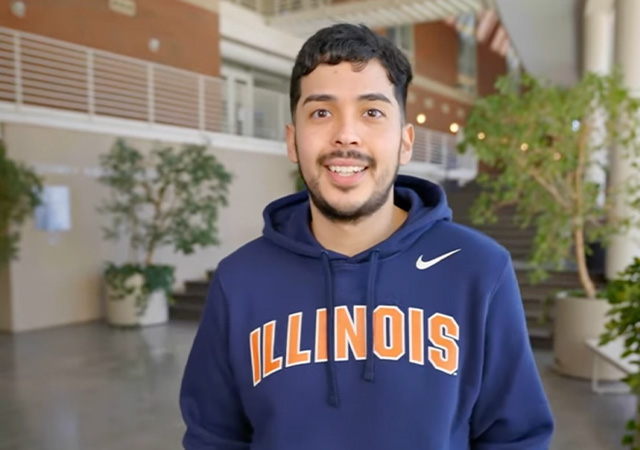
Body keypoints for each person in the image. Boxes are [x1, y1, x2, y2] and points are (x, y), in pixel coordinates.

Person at [180, 23, 554, 450]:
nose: (346, 135)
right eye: (321, 112)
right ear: (292, 140)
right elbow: (213, 437)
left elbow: (516, 438)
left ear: (405, 141)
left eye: (372, 112)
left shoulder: (480, 270)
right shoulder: (239, 280)